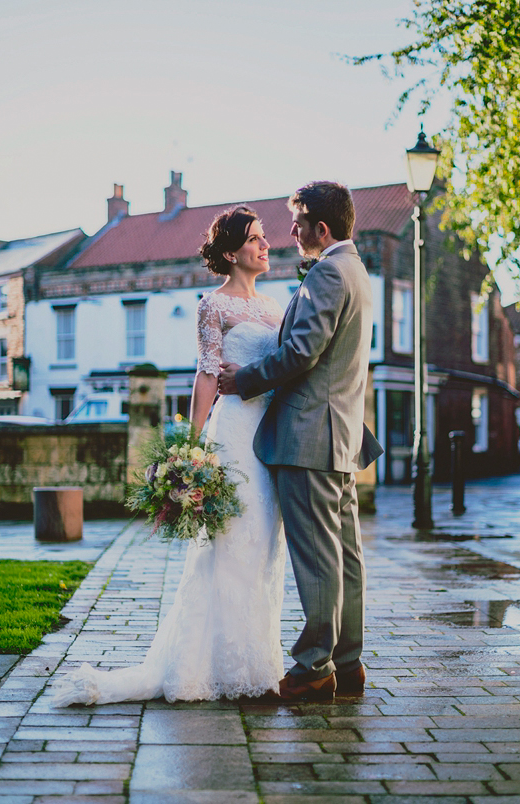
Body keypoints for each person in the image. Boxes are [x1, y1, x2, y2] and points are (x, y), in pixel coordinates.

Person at [52, 206, 286, 706]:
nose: (266, 246)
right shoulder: (212, 306)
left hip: (270, 439)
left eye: (265, 237)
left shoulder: (275, 306)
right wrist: (193, 445)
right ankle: (213, 666)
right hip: (234, 434)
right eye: (255, 239)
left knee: (264, 543)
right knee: (230, 541)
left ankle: (258, 661)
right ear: (231, 253)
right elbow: (205, 374)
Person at [219, 180, 382, 701]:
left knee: (317, 558)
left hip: (309, 435)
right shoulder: (356, 271)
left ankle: (314, 668)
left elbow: (301, 353)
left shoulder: (330, 271)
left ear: (323, 228)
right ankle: (348, 664)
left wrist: (241, 380)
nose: (290, 230)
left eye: (298, 221)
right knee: (345, 556)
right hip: (338, 437)